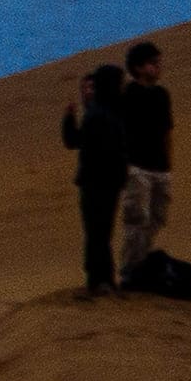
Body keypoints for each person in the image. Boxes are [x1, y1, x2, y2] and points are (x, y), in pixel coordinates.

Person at [62, 64, 129, 294]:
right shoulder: (114, 112)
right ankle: (104, 280)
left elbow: (76, 141)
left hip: (95, 183)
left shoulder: (98, 114)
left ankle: (98, 281)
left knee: (96, 232)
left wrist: (69, 120)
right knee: (101, 232)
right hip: (109, 182)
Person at [118, 40, 175, 279]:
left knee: (158, 217)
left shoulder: (162, 95)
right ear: (138, 67)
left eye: (158, 62)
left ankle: (141, 263)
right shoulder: (128, 95)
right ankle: (129, 269)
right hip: (137, 167)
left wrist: (169, 164)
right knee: (136, 218)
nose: (158, 67)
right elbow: (119, 131)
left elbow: (167, 131)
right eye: (153, 63)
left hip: (160, 167)